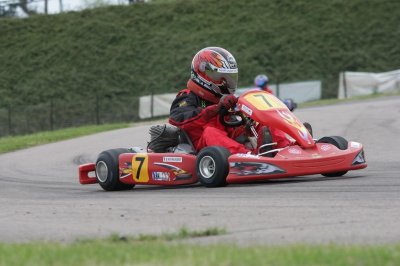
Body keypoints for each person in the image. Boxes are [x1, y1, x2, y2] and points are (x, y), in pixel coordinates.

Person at [169, 47, 290, 155]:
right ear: (203, 75)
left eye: (228, 79)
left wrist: (247, 120)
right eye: (220, 78)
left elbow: (233, 124)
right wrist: (215, 109)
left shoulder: (222, 98)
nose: (225, 83)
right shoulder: (188, 96)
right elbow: (178, 119)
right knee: (211, 132)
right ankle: (248, 157)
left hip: (228, 139)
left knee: (266, 124)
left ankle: (288, 148)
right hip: (203, 146)